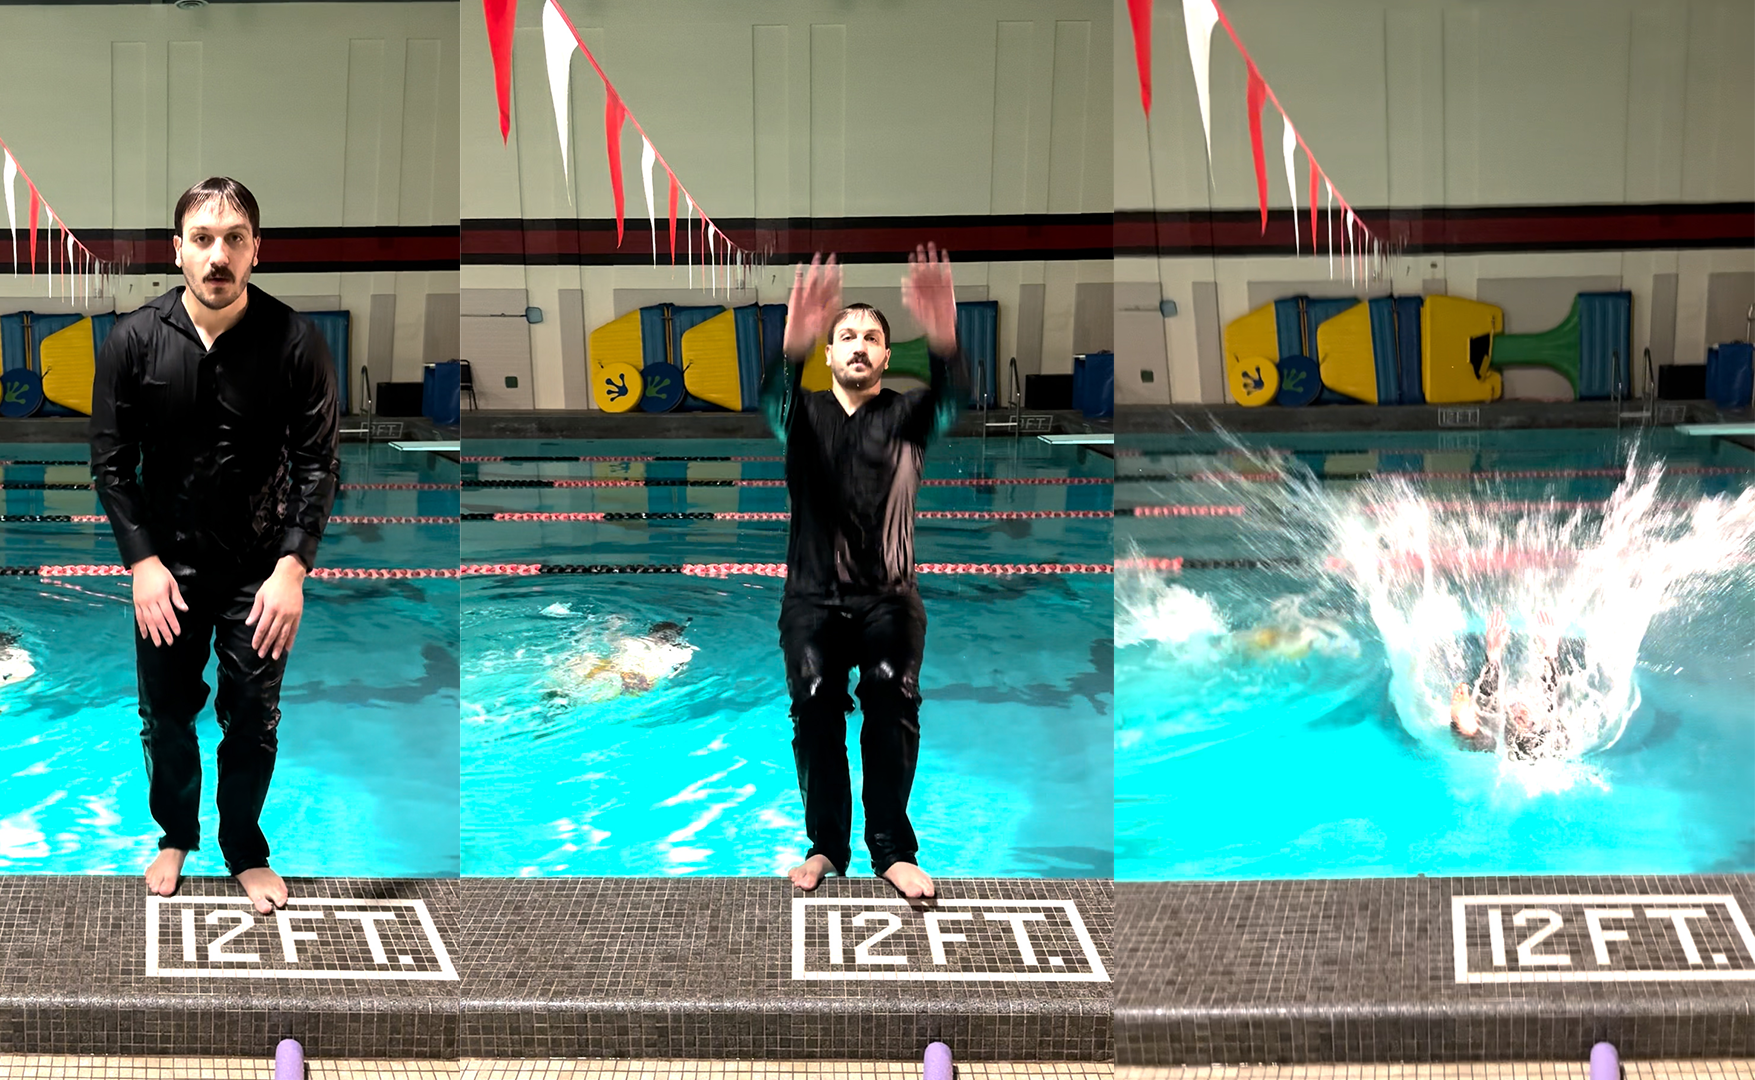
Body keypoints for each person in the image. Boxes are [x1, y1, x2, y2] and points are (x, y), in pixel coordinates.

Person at [89, 177, 340, 915]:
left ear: (257, 250)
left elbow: (318, 464)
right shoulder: (134, 340)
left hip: (258, 572)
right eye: (202, 239)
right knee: (165, 714)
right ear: (178, 250)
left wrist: (292, 569)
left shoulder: (295, 342)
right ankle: (176, 834)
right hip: (164, 570)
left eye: (234, 239)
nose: (218, 255)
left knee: (253, 716)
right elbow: (110, 463)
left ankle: (244, 849)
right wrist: (141, 563)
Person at [760, 244, 968, 899]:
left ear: (885, 357)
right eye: (846, 336)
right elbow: (771, 397)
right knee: (815, 702)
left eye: (871, 338)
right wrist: (790, 347)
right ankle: (826, 847)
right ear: (828, 355)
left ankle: (891, 851)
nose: (858, 346)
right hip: (811, 598)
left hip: (889, 598)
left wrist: (943, 339)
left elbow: (953, 398)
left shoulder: (908, 415)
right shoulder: (800, 415)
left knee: (890, 694)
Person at [1449, 608, 1565, 759]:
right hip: (1534, 750)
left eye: (1518, 716)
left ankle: (1467, 727)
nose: (1519, 710)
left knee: (1491, 732)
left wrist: (1493, 654)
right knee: (1551, 726)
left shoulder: (1502, 728)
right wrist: (1550, 652)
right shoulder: (1545, 728)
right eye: (1521, 715)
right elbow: (1551, 701)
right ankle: (1468, 727)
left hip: (1509, 747)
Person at [550, 620, 695, 700]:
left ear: (651, 632)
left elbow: (608, 638)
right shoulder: (682, 653)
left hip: (618, 673)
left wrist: (613, 626)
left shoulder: (631, 641)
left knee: (585, 663)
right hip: (643, 683)